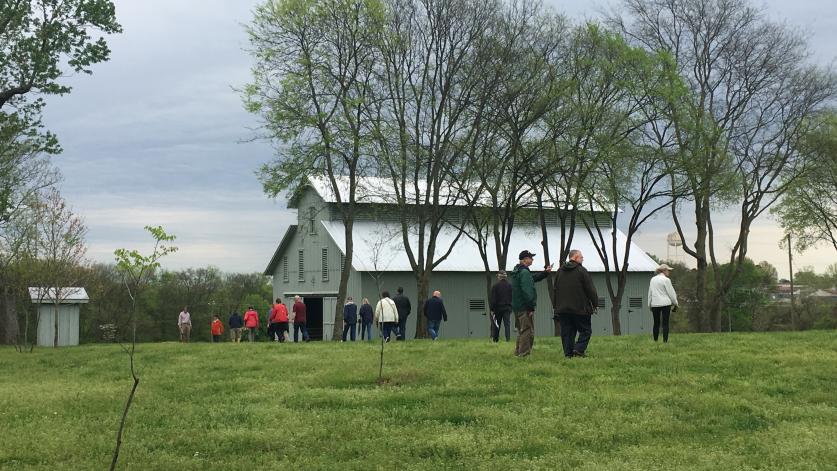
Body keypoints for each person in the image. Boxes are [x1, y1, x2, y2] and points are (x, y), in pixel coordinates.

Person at [554, 249, 598, 358]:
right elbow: (590, 289)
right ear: (575, 257)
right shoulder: (581, 271)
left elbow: (556, 289)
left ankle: (568, 354)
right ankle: (578, 349)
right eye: (581, 257)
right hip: (580, 308)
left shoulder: (559, 271)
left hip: (563, 309)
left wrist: (556, 307)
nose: (583, 259)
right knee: (586, 331)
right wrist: (595, 303)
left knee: (567, 333)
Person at [510, 250, 552, 357]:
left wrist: (545, 273)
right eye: (530, 258)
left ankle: (518, 351)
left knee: (521, 330)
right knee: (527, 330)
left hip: (517, 306)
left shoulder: (518, 271)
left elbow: (532, 279)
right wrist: (530, 308)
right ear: (525, 259)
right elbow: (527, 291)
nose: (532, 259)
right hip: (524, 307)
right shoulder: (524, 272)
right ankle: (524, 354)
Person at [648, 264, 679, 343]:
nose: (669, 272)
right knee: (665, 323)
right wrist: (675, 303)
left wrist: (649, 305)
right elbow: (671, 293)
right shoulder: (666, 280)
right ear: (664, 270)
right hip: (665, 304)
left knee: (656, 323)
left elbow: (650, 293)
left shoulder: (653, 280)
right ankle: (665, 341)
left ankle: (655, 340)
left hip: (655, 304)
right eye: (668, 270)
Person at [489, 270, 513, 342]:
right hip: (507, 307)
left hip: (498, 308)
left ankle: (496, 339)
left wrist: (492, 309)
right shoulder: (510, 286)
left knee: (497, 324)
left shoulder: (495, 286)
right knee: (507, 324)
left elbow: (493, 299)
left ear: (499, 277)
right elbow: (512, 297)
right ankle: (508, 339)